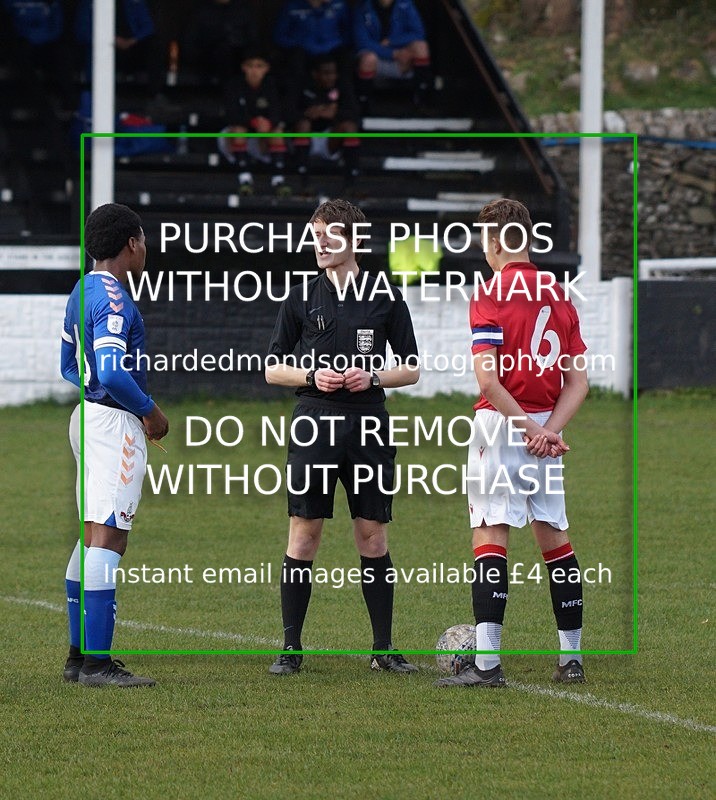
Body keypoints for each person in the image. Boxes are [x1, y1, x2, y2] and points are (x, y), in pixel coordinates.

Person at [435, 198, 589, 688]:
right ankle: (571, 660)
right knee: (556, 541)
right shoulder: (560, 295)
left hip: (503, 426)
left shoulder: (491, 294)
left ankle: (486, 665)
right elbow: (579, 381)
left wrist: (527, 428)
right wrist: (549, 430)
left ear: (499, 241)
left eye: (484, 238)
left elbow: (488, 381)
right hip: (546, 430)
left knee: (490, 537)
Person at [265, 198, 420, 675]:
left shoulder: (386, 295)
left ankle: (383, 650)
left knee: (372, 535)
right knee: (304, 533)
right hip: (314, 421)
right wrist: (312, 376)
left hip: (368, 424)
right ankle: (291, 650)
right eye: (315, 237)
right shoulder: (299, 298)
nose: (321, 246)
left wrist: (372, 378)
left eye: (330, 237)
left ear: (354, 240)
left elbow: (411, 368)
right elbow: (272, 368)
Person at [60, 203, 169, 687]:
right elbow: (110, 370)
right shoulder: (116, 299)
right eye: (143, 240)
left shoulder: (81, 290)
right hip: (113, 425)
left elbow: (69, 364)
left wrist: (97, 397)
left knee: (91, 535)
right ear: (131, 243)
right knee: (109, 537)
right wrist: (148, 410)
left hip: (86, 418)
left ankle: (78, 657)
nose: (146, 248)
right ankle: (98, 666)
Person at [219, 50, 289, 196]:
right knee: (238, 130)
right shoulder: (234, 85)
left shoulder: (272, 85)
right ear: (244, 67)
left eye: (259, 66)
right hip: (233, 137)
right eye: (250, 66)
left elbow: (279, 113)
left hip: (260, 138)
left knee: (277, 131)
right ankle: (245, 179)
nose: (254, 70)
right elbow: (230, 115)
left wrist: (268, 123)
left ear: (266, 68)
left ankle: (278, 179)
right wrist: (253, 122)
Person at [291, 55, 361, 187]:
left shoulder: (342, 86)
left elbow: (355, 114)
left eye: (333, 73)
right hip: (306, 139)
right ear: (315, 74)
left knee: (350, 127)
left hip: (330, 141)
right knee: (303, 125)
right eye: (326, 73)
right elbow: (287, 112)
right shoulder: (302, 85)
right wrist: (307, 113)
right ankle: (302, 175)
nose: (331, 77)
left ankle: (352, 178)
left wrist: (334, 114)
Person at [353, 0, 433, 110]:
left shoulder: (405, 4)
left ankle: (422, 97)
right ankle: (364, 102)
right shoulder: (363, 7)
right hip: (376, 59)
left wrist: (392, 42)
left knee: (421, 46)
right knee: (368, 59)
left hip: (402, 59)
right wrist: (392, 54)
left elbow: (419, 32)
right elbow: (362, 42)